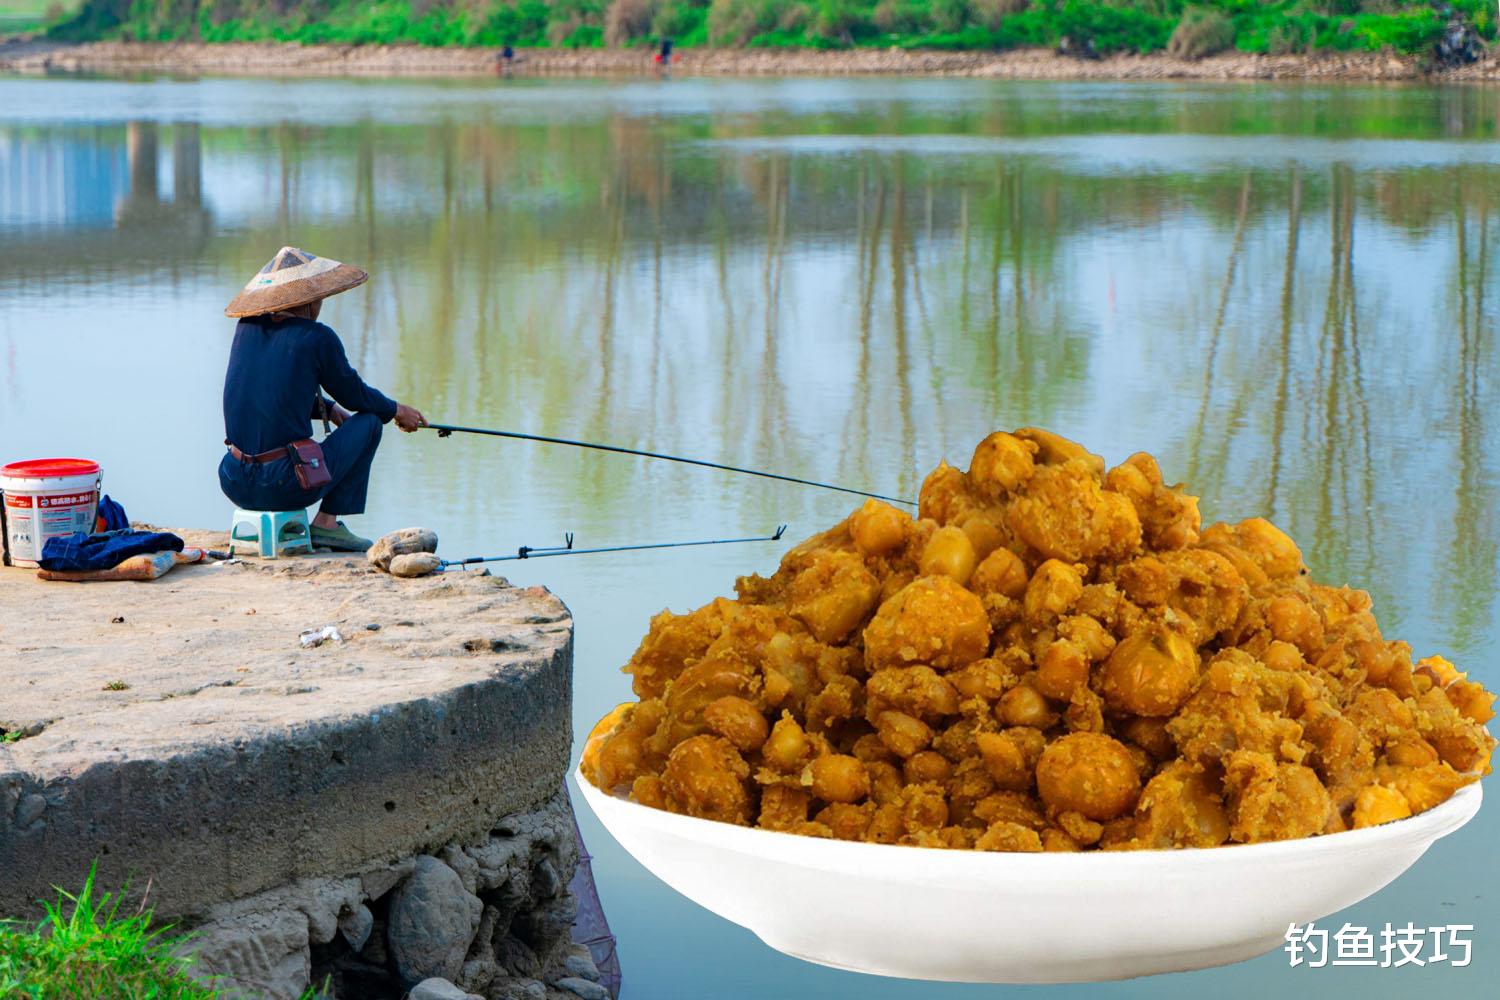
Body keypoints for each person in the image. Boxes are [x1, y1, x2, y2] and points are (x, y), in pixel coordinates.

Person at [218, 246, 427, 553]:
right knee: (370, 423)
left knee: (355, 418)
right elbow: (356, 395)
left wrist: (330, 409)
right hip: (284, 485)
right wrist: (397, 410)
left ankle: (319, 524)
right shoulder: (317, 337)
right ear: (311, 301)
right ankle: (327, 525)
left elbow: (272, 394)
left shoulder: (246, 328)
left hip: (233, 479)